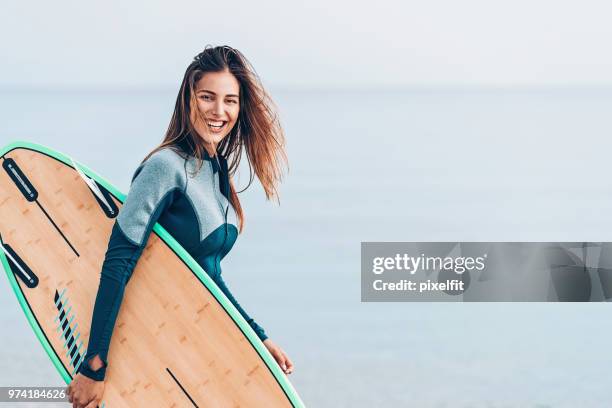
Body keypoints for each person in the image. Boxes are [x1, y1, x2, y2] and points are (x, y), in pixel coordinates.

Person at [67, 45, 293, 408]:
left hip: (189, 345)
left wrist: (256, 336)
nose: (219, 111)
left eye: (230, 100)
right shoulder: (164, 168)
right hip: (150, 344)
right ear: (189, 99)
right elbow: (118, 262)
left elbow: (209, 276)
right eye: (208, 97)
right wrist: (94, 366)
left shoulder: (216, 172)